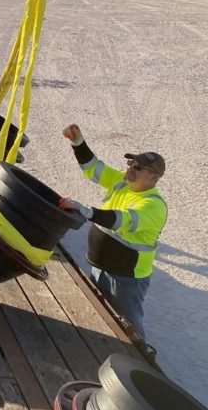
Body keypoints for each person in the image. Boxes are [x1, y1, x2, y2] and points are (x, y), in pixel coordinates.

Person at [59, 123, 167, 340]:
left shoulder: (154, 205)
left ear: (154, 178)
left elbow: (121, 220)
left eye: (138, 167)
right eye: (131, 163)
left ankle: (140, 358)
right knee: (101, 315)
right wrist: (78, 143)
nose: (130, 168)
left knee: (128, 326)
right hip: (101, 267)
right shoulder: (122, 182)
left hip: (126, 278)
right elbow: (94, 169)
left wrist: (86, 211)